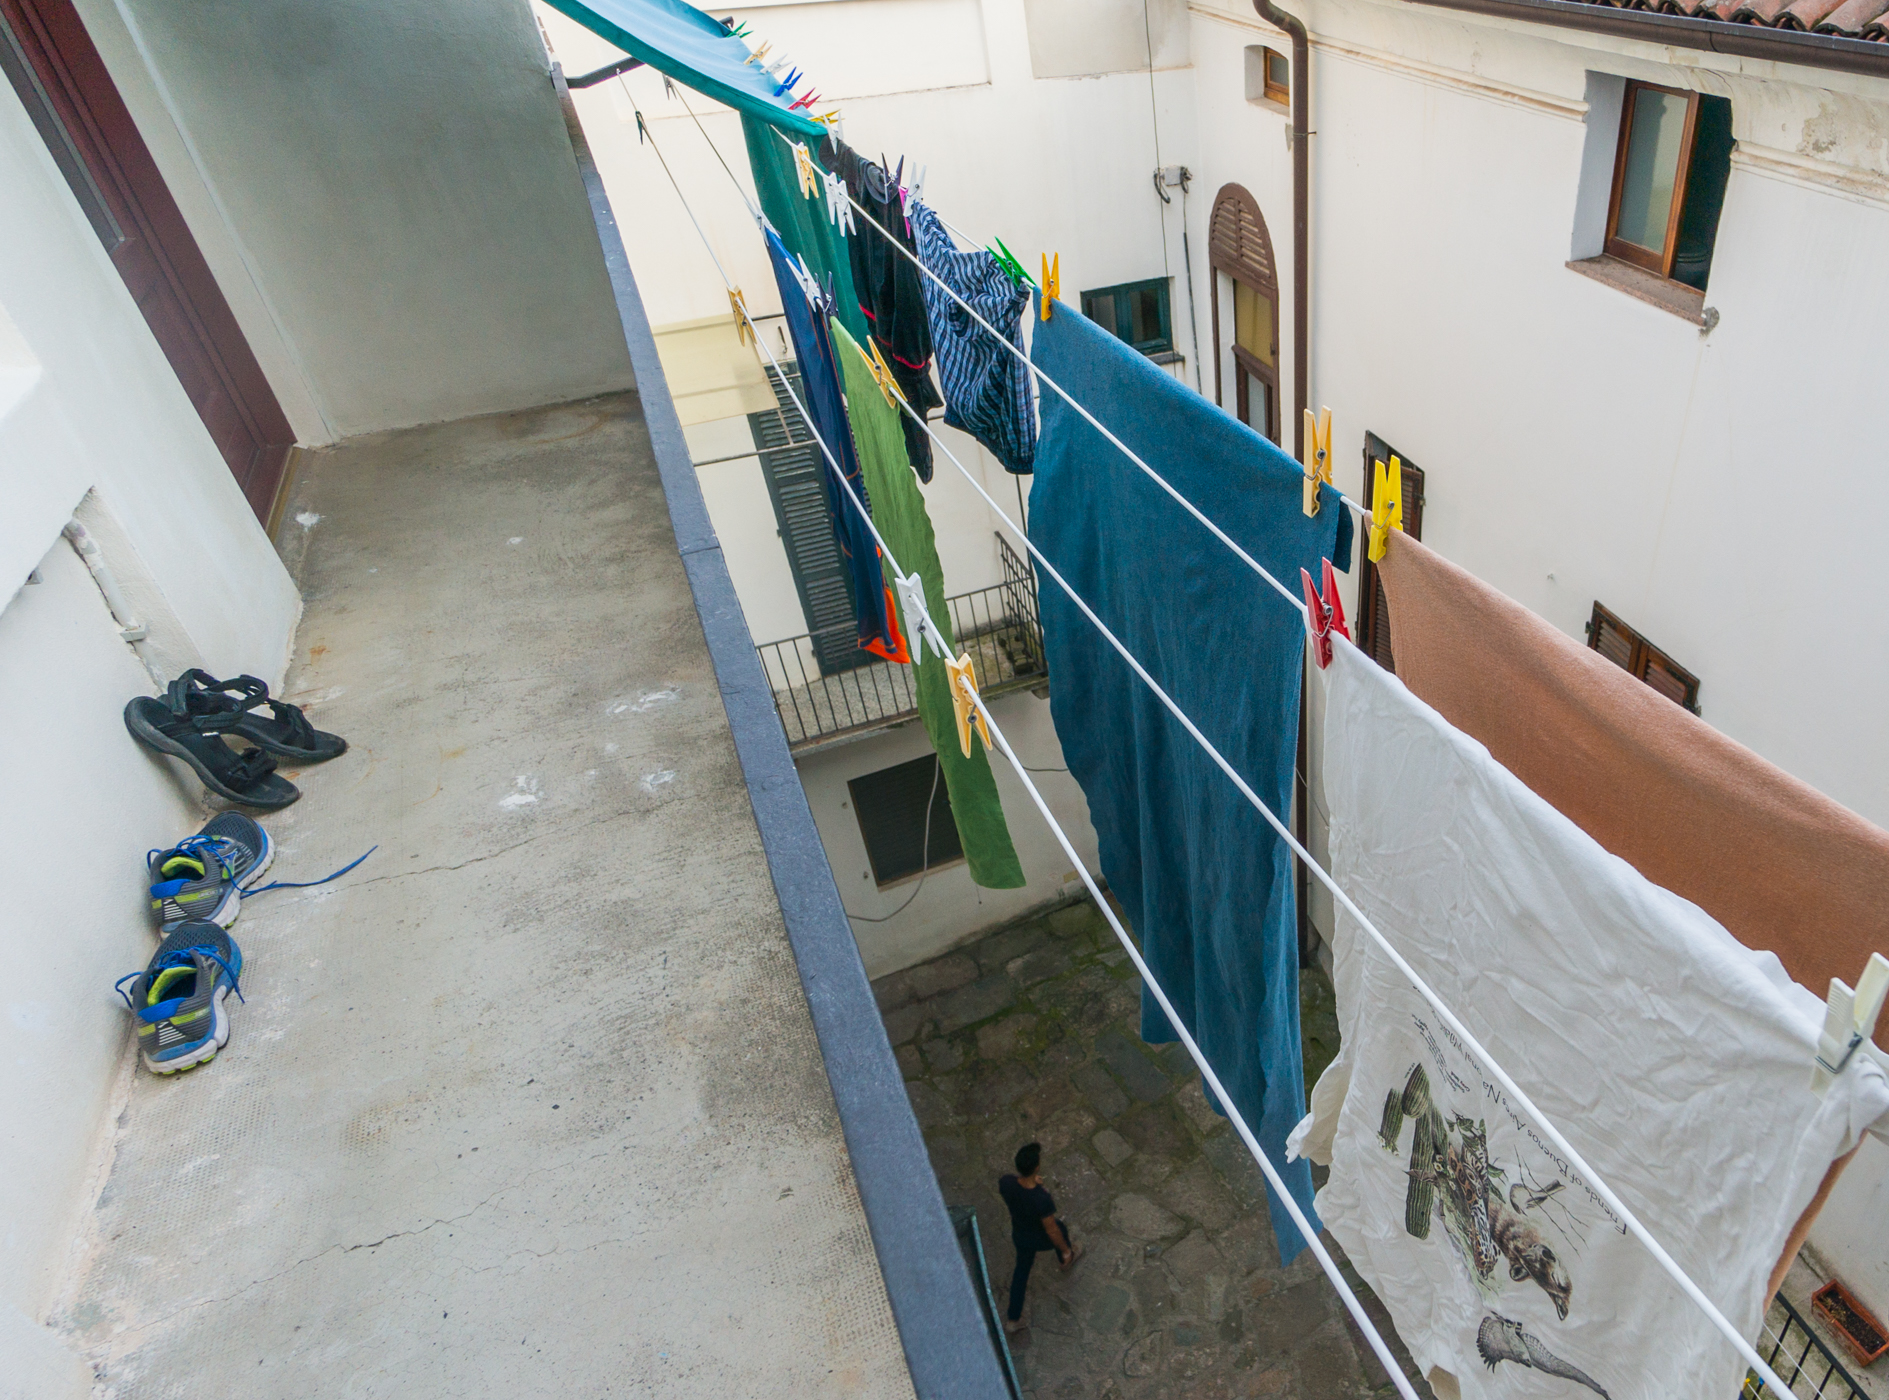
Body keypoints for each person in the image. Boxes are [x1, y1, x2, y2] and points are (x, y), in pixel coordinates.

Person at [997, 1141, 1082, 1332]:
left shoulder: (1006, 1183)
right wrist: (1065, 1249)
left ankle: (1013, 1319)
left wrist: (1033, 1184)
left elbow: (1018, 1192)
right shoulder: (1041, 1200)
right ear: (1036, 1167)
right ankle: (1066, 1259)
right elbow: (1051, 1230)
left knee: (1021, 1273)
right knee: (1060, 1228)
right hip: (1038, 1236)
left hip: (1020, 1235)